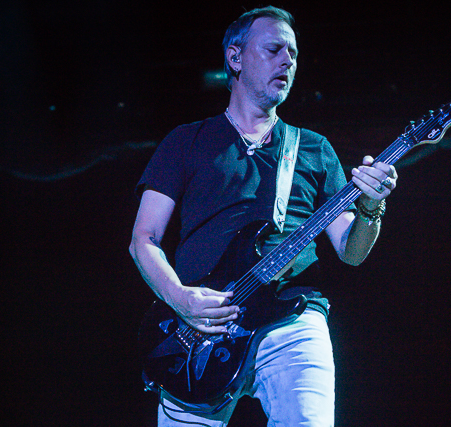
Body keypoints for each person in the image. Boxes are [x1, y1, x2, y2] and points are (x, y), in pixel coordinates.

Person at [129, 6, 397, 426]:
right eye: (274, 50)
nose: (288, 61)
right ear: (235, 58)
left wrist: (371, 206)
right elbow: (143, 239)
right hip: (201, 325)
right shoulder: (186, 141)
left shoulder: (313, 148)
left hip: (292, 319)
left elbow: (352, 250)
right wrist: (180, 298)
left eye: (293, 53)